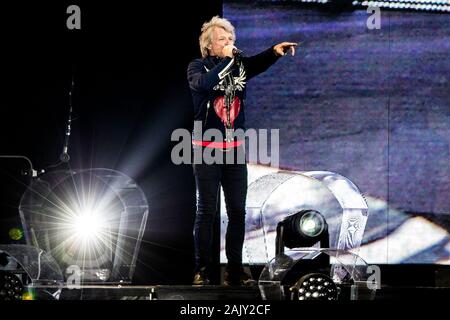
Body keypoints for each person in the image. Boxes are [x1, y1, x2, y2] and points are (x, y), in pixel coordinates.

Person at [187, 16, 297, 285]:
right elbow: (206, 85)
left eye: (231, 40)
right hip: (206, 151)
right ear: (210, 46)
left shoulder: (238, 66)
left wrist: (273, 52)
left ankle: (235, 270)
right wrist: (227, 60)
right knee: (207, 211)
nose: (229, 44)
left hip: (234, 151)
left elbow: (255, 63)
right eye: (223, 40)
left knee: (237, 211)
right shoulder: (197, 66)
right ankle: (202, 269)